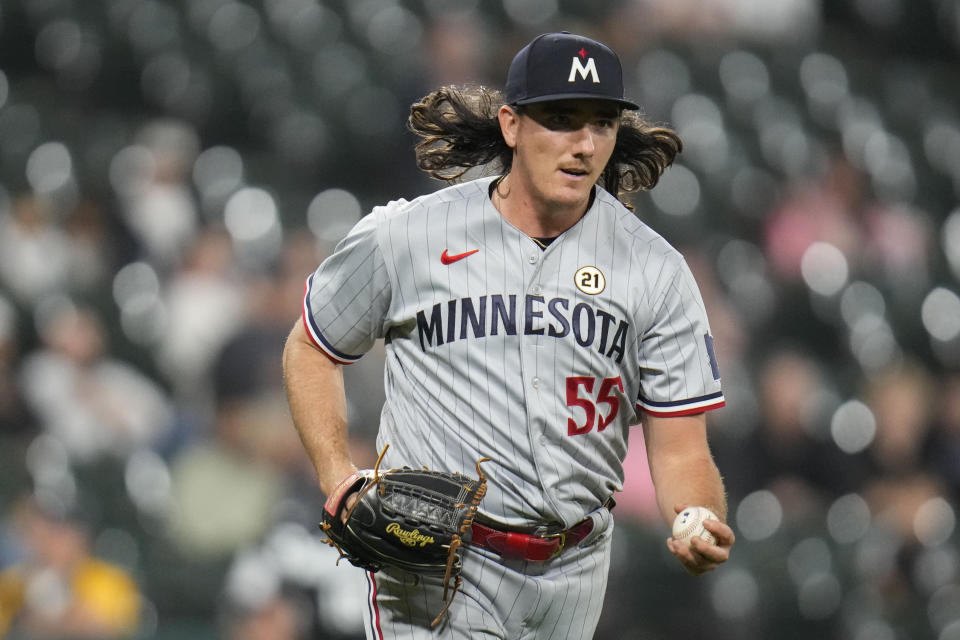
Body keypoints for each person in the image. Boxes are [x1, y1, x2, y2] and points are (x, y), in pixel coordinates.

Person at [283, 31, 734, 639]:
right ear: (511, 124)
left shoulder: (656, 271)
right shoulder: (409, 236)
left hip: (576, 568)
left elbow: (681, 448)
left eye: (601, 123)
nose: (582, 144)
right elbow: (313, 344)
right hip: (437, 566)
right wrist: (338, 475)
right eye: (560, 119)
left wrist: (696, 513)